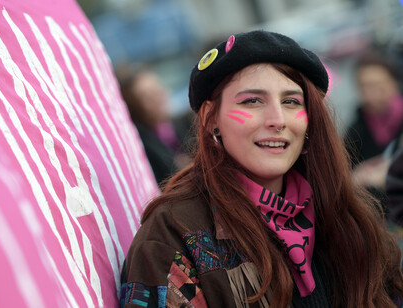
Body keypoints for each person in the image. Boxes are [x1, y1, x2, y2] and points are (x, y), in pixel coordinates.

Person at [121, 31, 403, 307]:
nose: (277, 120)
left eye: (291, 101)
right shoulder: (172, 234)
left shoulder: (345, 213)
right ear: (210, 118)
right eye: (252, 101)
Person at [117, 65, 193, 184]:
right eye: (148, 97)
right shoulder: (143, 147)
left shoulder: (187, 123)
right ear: (134, 106)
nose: (158, 98)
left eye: (157, 89)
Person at [345, 51, 403, 203]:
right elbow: (346, 174)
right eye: (364, 87)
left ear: (394, 84)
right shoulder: (355, 131)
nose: (371, 94)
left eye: (377, 86)